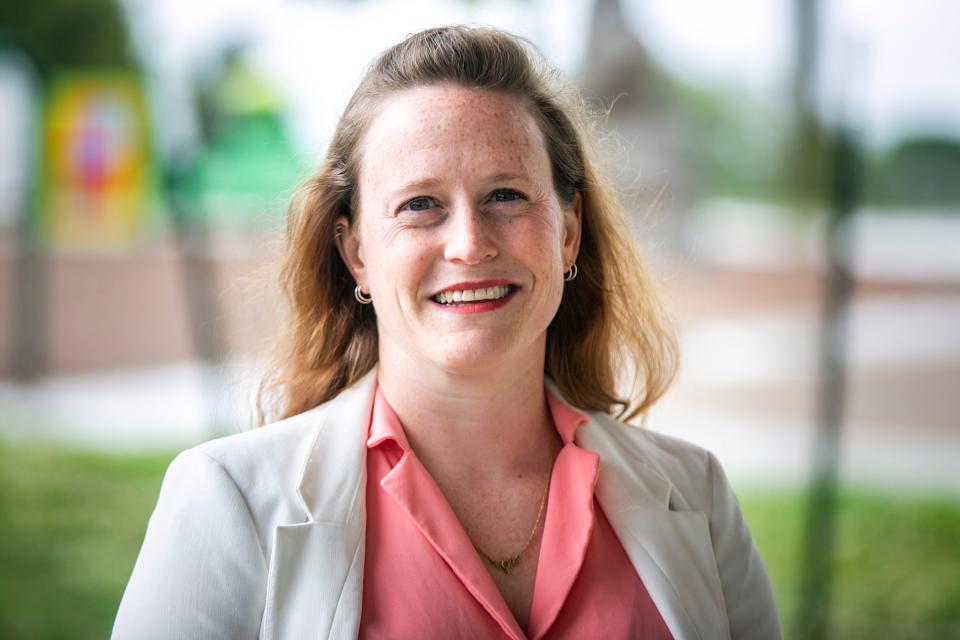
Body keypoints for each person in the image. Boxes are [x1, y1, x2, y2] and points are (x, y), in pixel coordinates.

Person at [113, 25, 781, 640]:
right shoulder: (229, 502)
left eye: (506, 196)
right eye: (419, 205)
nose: (468, 244)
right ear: (357, 254)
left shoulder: (697, 495)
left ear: (568, 231)